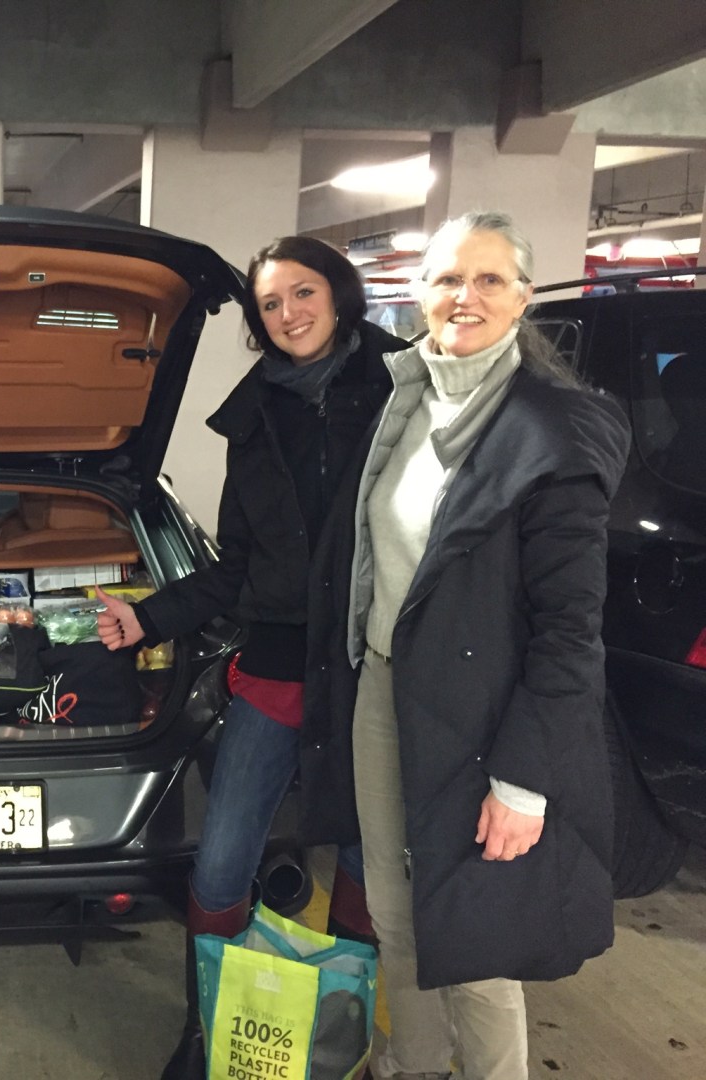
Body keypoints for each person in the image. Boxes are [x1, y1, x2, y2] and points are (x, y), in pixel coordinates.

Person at [300, 211, 628, 1080]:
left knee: (477, 939)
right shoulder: (402, 397)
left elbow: (571, 631)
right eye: (448, 279)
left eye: (488, 280)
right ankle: (415, 1065)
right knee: (396, 915)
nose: (465, 297)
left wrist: (524, 779)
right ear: (420, 292)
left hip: (482, 719)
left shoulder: (551, 429)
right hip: (382, 688)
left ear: (524, 296)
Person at [95, 235, 409, 1080]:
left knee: (362, 851)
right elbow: (236, 567)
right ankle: (212, 1026)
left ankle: (346, 1032)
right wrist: (147, 617)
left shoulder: (404, 389)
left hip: (371, 667)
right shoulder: (253, 419)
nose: (287, 315)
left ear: (340, 296)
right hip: (274, 667)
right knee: (226, 852)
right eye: (270, 305)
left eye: (302, 294)